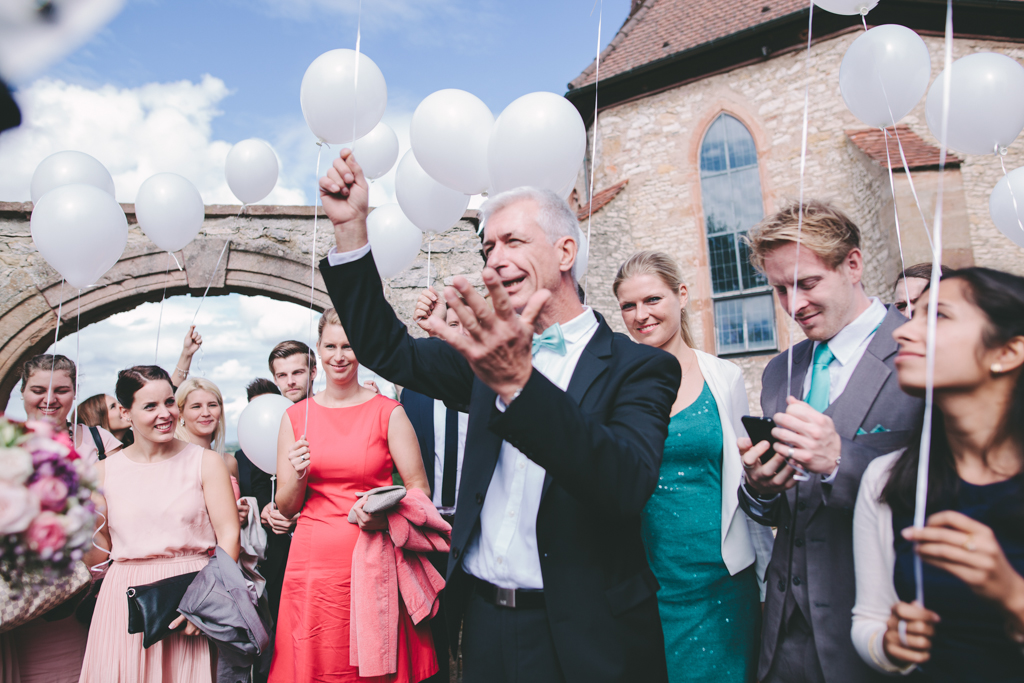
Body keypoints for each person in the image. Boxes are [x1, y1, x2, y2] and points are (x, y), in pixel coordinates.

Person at [317, 147, 679, 683]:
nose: (495, 258)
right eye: (487, 247)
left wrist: (519, 384)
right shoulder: (482, 359)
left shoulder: (638, 368)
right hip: (485, 625)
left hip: (590, 635)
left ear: (565, 252)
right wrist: (351, 231)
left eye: (513, 241)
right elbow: (387, 349)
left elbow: (624, 484)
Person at [737, 200, 925, 683]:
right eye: (780, 289)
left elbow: (946, 491)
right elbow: (784, 511)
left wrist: (841, 459)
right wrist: (761, 486)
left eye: (807, 283)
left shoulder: (920, 354)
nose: (793, 305)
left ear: (854, 265)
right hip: (783, 633)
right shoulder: (782, 369)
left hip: (875, 625)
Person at [852, 267, 1024, 682]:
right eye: (911, 316)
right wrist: (889, 645)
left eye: (939, 316)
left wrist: (1013, 595)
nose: (903, 333)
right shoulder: (887, 479)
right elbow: (870, 618)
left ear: (1008, 352)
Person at [613, 250, 775, 682]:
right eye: (628, 305)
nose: (640, 315)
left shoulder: (724, 378)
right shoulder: (613, 385)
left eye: (652, 300)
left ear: (681, 295)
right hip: (641, 581)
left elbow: (744, 484)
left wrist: (764, 581)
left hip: (720, 583)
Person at [269, 308, 436, 682]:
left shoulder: (388, 413)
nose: (339, 355)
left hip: (372, 556)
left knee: (371, 666)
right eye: (330, 346)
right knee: (313, 661)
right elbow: (287, 506)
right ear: (318, 350)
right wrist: (296, 474)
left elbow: (419, 489)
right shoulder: (296, 417)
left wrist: (387, 517)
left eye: (348, 346)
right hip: (312, 564)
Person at [79, 365, 241, 683]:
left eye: (169, 402)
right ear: (125, 413)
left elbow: (229, 535)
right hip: (122, 599)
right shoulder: (102, 472)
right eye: (150, 406)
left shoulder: (206, 462)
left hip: (190, 595)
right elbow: (98, 556)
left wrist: (203, 604)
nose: (164, 413)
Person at [5, 355, 119, 683]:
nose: (50, 399)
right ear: (23, 392)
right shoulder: (9, 444)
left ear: (74, 392)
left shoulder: (100, 441)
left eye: (62, 390)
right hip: (31, 597)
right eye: (38, 389)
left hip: (94, 596)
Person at [406, 288, 469, 683]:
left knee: (478, 628)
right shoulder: (412, 390)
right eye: (449, 325)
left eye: (464, 325)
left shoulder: (490, 384)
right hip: (429, 534)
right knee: (431, 631)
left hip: (477, 528)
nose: (455, 333)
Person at [174, 377, 248, 525]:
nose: (206, 412)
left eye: (212, 405)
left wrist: (242, 516)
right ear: (180, 413)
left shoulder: (229, 462)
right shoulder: (174, 461)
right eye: (196, 407)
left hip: (226, 547)